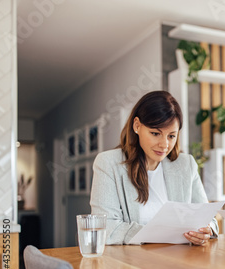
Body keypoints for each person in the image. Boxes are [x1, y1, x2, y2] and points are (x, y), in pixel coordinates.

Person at [90, 90, 218, 245]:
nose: (164, 145)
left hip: (180, 262)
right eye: (155, 133)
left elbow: (209, 218)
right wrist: (159, 234)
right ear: (137, 125)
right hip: (131, 263)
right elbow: (105, 227)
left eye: (171, 136)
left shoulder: (186, 164)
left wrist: (205, 230)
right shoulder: (108, 163)